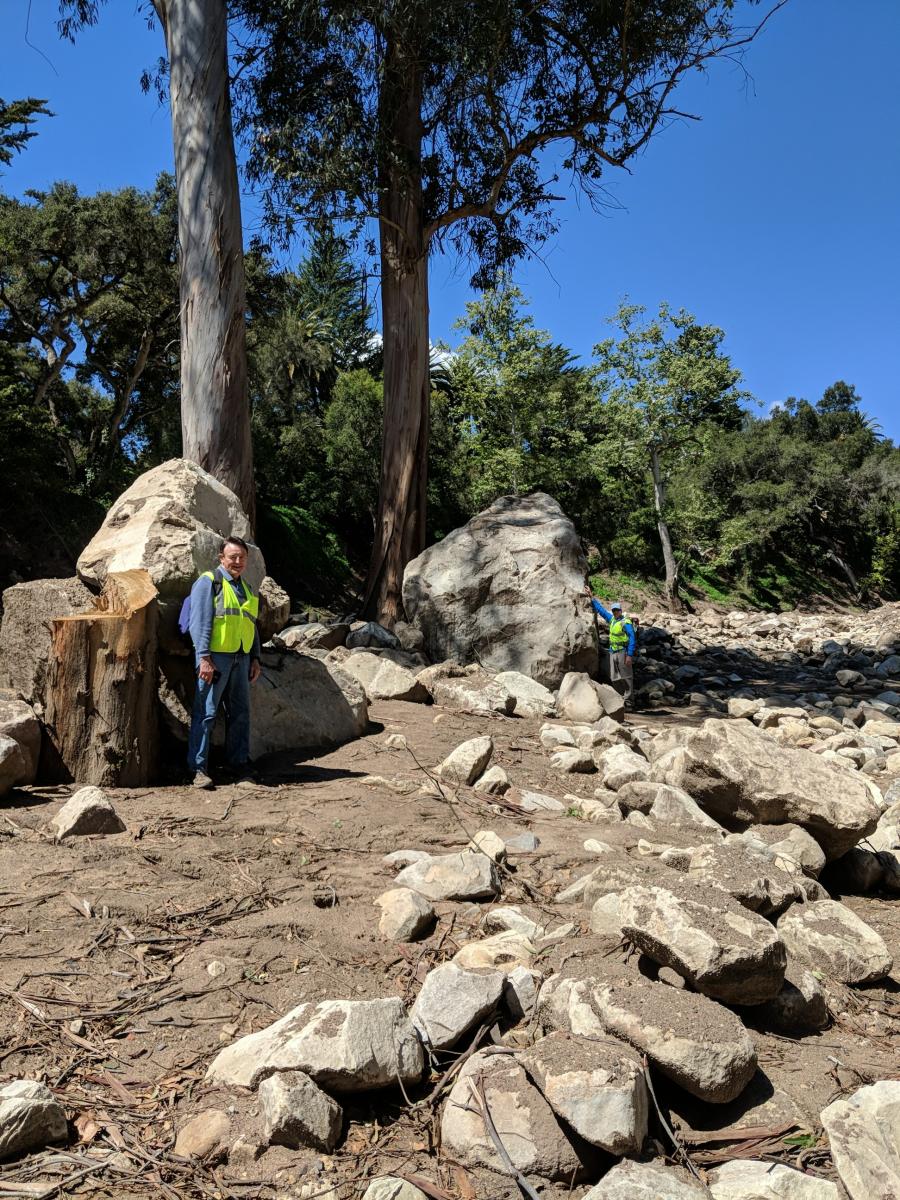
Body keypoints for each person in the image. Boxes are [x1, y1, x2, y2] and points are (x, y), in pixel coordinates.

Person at [187, 536, 262, 789]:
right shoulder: (209, 582)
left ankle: (239, 765)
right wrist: (204, 658)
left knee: (241, 714)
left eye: (242, 557)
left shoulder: (248, 589)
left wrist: (255, 658)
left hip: (241, 659)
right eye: (233, 557)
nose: (238, 561)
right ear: (222, 558)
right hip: (215, 659)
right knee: (206, 713)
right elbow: (200, 623)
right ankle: (198, 770)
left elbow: (252, 625)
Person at [583, 586, 637, 706]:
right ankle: (621, 698)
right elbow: (601, 611)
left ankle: (629, 702)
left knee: (627, 677)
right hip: (613, 651)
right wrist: (591, 597)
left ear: (620, 611)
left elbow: (632, 638)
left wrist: (630, 655)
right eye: (613, 610)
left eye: (617, 610)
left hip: (623, 651)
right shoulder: (612, 619)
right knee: (614, 677)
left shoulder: (625, 623)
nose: (615, 612)